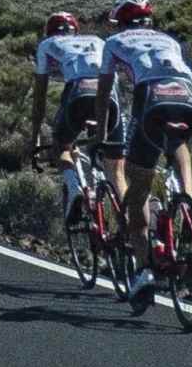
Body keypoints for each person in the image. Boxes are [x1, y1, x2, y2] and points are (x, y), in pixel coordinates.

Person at [93, 0, 192, 314]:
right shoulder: (169, 39)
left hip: (151, 100)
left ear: (121, 21)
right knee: (178, 144)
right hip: (187, 98)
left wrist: (101, 136)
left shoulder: (114, 42)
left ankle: (143, 272)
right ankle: (185, 202)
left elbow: (103, 93)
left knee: (138, 189)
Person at [30, 12, 126, 222]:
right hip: (110, 97)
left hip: (79, 91)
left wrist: (35, 137)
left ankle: (75, 189)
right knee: (116, 168)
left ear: (49, 32)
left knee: (62, 144)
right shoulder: (97, 40)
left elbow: (40, 98)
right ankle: (129, 224)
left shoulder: (48, 44)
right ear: (76, 30)